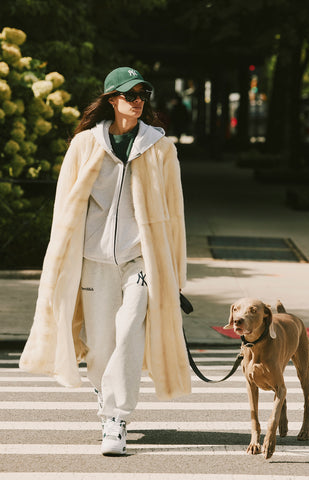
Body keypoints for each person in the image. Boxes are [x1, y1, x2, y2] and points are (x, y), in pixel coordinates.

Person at [19, 67, 191, 456]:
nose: (138, 100)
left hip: (141, 256)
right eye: (129, 94)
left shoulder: (161, 148)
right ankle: (104, 392)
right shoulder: (84, 145)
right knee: (100, 344)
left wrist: (176, 273)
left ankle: (116, 417)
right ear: (112, 99)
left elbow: (176, 214)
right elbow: (65, 209)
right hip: (93, 258)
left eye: (142, 94)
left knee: (130, 327)